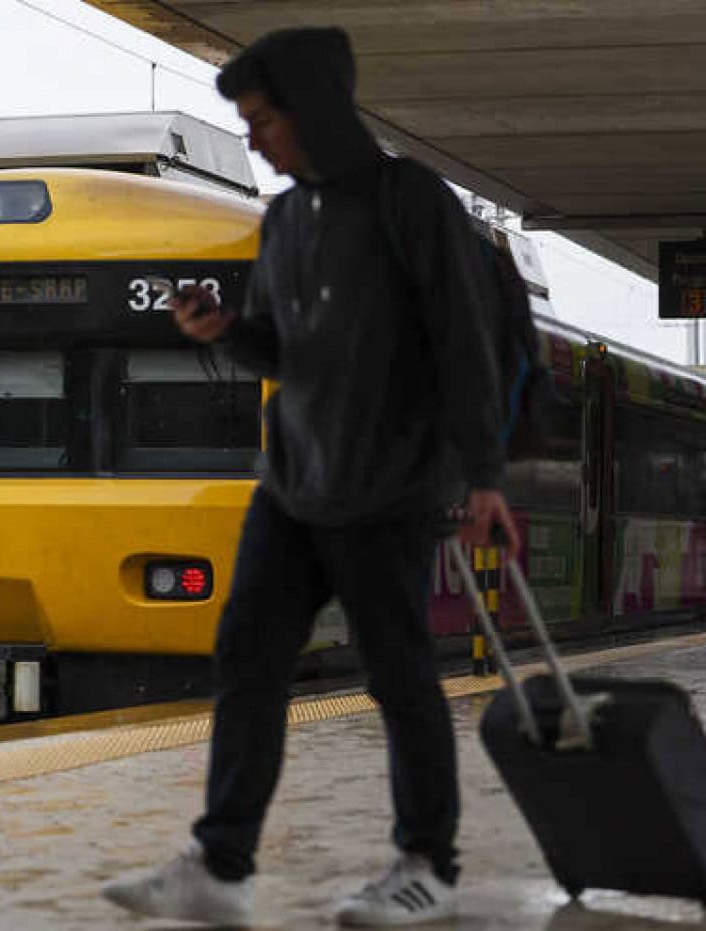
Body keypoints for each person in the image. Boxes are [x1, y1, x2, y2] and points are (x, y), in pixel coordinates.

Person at [101, 27, 519, 928]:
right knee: (246, 657)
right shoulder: (285, 220)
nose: (254, 139)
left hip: (389, 484)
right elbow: (283, 351)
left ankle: (429, 864)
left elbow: (465, 340)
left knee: (398, 674)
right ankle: (222, 865)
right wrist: (224, 331)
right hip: (292, 483)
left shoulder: (409, 198)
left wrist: (483, 475)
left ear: (316, 111)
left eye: (264, 120)